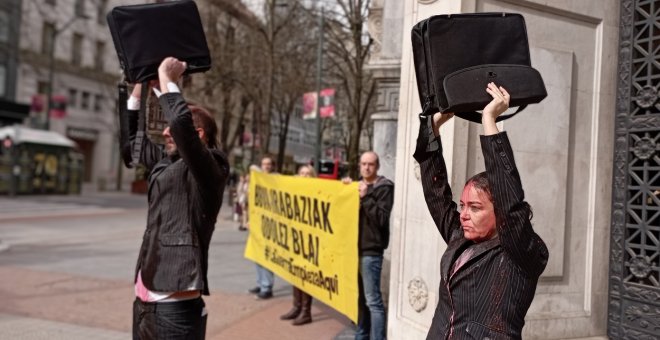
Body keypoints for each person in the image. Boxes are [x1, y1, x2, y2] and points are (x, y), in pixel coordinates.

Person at [413, 83, 549, 339]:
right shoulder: (460, 238)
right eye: (463, 205)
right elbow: (436, 193)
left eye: (475, 207)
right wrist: (432, 127)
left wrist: (489, 120)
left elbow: (511, 203)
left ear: (500, 213)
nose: (463, 214)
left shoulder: (522, 253)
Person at [123, 57, 229, 339]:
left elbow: (180, 128)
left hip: (175, 307)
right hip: (145, 300)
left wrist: (168, 81)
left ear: (199, 135)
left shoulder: (213, 167)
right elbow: (131, 148)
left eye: (173, 128)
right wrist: (139, 90)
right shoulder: (168, 162)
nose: (166, 131)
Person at [344, 151, 394, 340]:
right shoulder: (357, 186)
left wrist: (365, 198)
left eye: (370, 164)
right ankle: (361, 334)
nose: (366, 167)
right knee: (361, 299)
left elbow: (381, 219)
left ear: (377, 166)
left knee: (373, 301)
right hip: (354, 250)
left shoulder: (384, 187)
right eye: (363, 164)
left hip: (371, 251)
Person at [280, 164, 316, 326]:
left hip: (310, 241)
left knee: (307, 277)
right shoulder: (293, 190)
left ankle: (306, 311)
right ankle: (297, 306)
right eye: (301, 173)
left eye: (308, 174)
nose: (304, 176)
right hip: (295, 239)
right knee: (296, 274)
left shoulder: (318, 191)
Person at [248, 156, 277, 299]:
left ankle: (267, 287)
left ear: (272, 166)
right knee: (257, 255)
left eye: (268, 164)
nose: (266, 166)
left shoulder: (276, 179)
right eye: (264, 164)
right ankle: (261, 283)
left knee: (267, 256)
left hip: (270, 225)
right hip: (258, 223)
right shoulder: (257, 179)